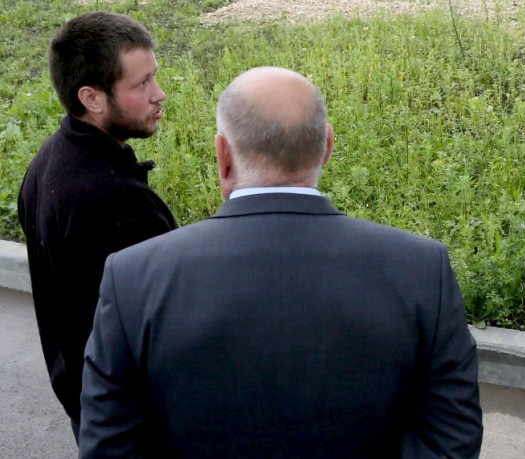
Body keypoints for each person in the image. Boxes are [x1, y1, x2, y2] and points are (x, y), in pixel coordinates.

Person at [79, 66, 483, 458]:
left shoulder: (131, 278)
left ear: (224, 155)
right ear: (326, 146)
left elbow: (110, 445)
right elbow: (452, 435)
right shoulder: (421, 269)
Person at [17, 11, 177, 442]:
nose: (159, 95)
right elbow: (165, 328)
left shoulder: (48, 159)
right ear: (92, 97)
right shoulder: (116, 202)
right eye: (141, 84)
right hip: (132, 420)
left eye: (154, 77)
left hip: (89, 404)